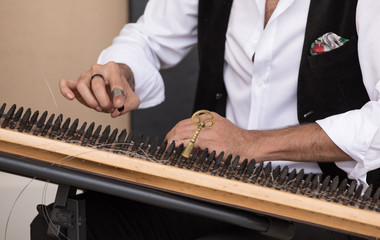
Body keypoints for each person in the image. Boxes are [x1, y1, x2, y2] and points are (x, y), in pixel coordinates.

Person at [33, 0, 380, 239]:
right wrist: (121, 70)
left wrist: (252, 144)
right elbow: (150, 37)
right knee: (64, 227)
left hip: (324, 200)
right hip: (215, 183)